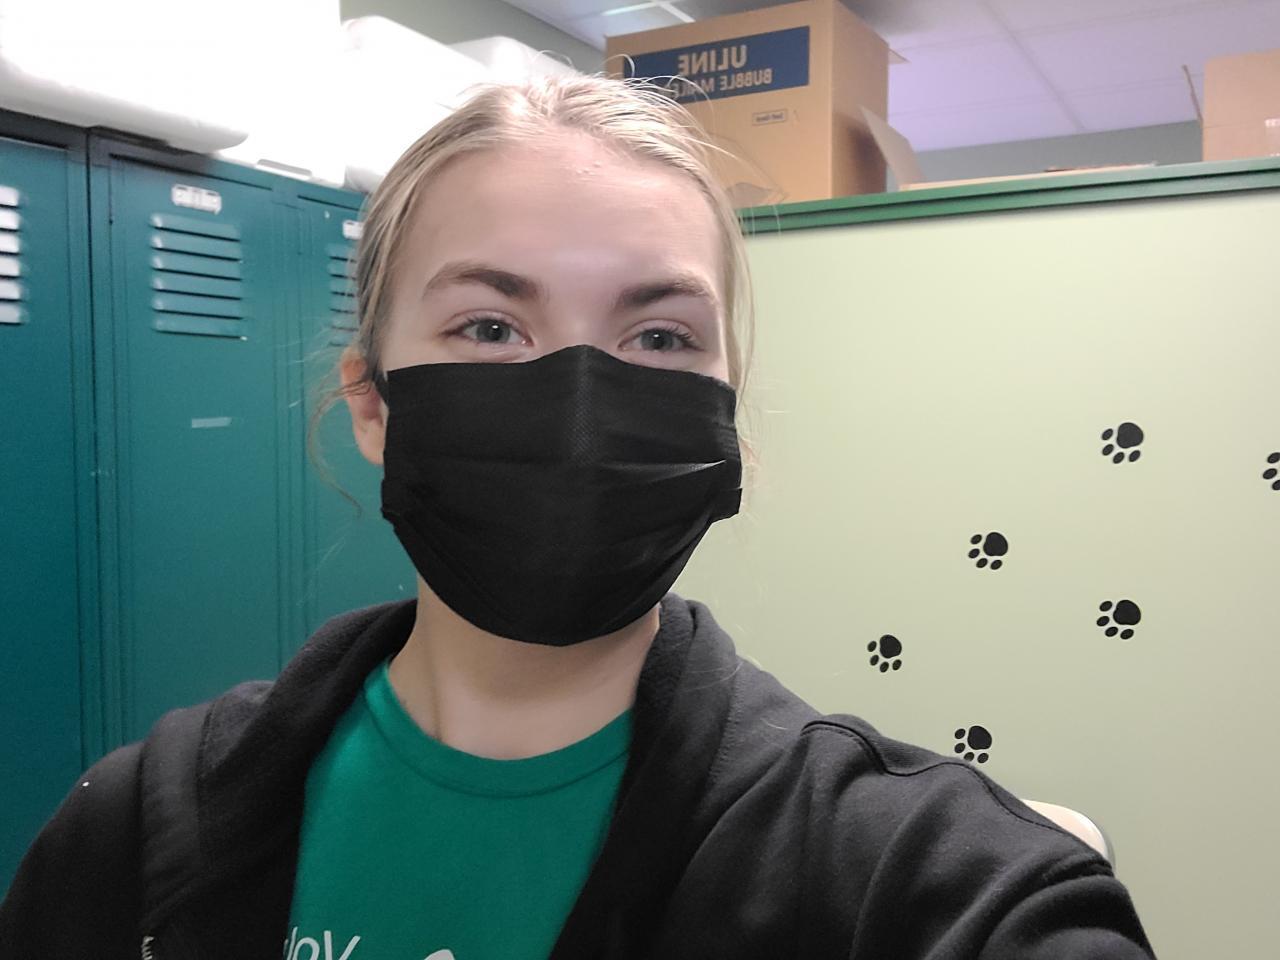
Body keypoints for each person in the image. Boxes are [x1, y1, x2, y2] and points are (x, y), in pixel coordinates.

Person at [0, 75, 1157, 959]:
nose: (581, 403)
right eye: (489, 327)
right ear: (372, 405)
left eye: (657, 337)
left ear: (722, 422)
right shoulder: (137, 826)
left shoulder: (911, 879)